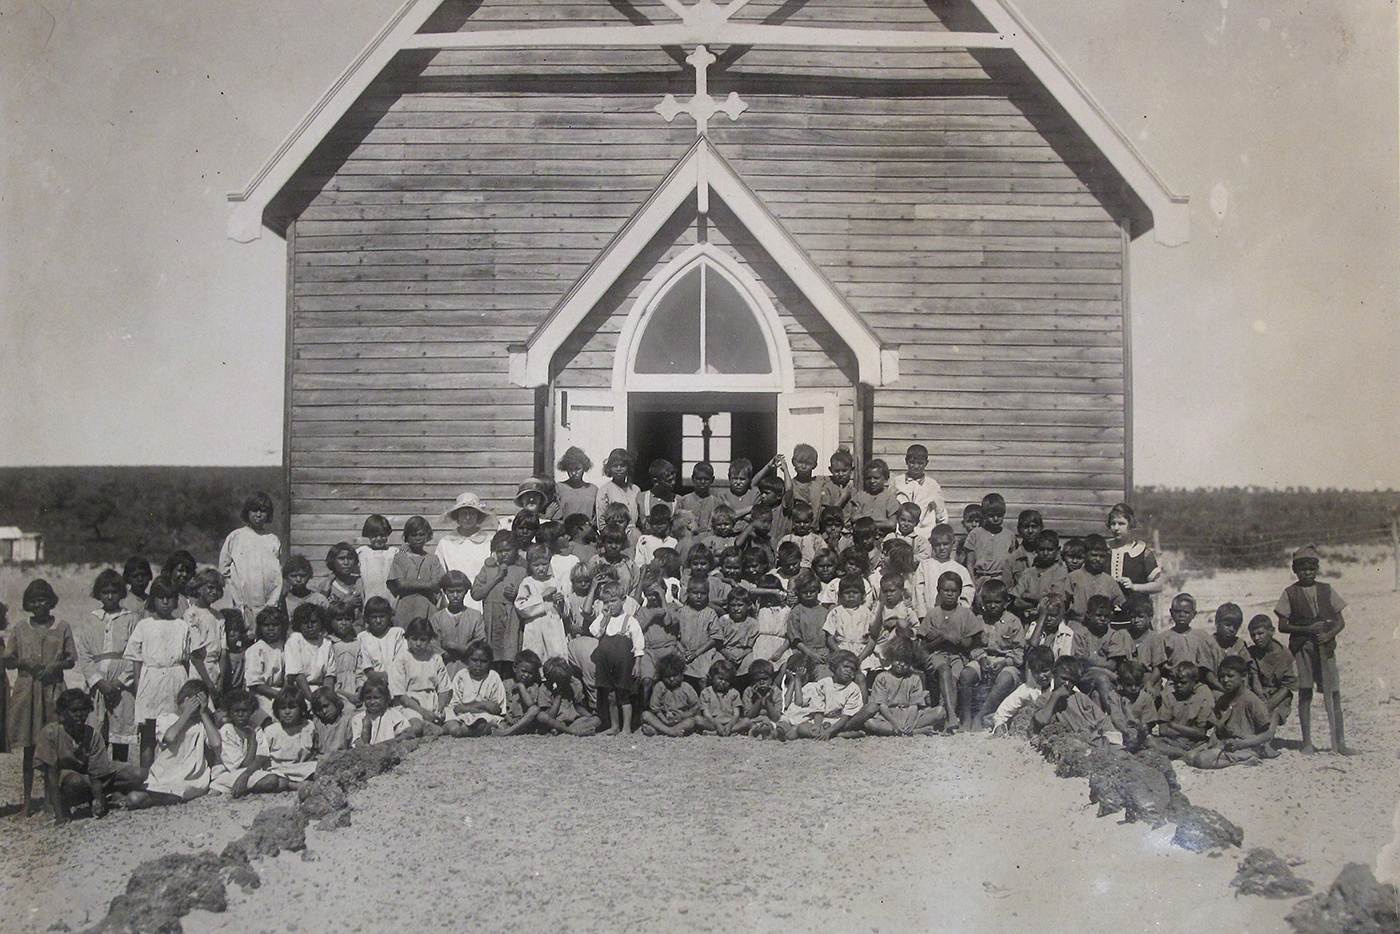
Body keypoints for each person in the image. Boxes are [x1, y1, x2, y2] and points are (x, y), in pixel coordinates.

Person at [1275, 544, 1351, 755]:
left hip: (1326, 649)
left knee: (1333, 692)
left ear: (1316, 569)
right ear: (1295, 571)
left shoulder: (1326, 590)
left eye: (1311, 568)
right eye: (1302, 569)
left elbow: (1340, 621)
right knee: (1306, 692)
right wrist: (1308, 629)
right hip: (1303, 649)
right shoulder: (1290, 593)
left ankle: (1340, 743)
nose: (1307, 573)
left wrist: (1329, 634)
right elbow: (1282, 625)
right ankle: (1307, 742)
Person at [36, 689, 142, 824]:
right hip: (66, 780)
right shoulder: (50, 733)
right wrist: (59, 814)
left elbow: (97, 773)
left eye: (83, 709)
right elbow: (51, 775)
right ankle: (65, 803)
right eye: (74, 711)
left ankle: (102, 798)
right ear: (63, 712)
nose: (80, 714)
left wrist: (97, 799)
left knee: (138, 774)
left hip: (88, 778)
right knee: (75, 781)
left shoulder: (92, 734)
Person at [125, 577, 197, 771]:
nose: (165, 602)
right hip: (151, 679)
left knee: (174, 725)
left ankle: (171, 773)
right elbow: (136, 659)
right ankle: (146, 775)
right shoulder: (144, 625)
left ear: (176, 601)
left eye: (169, 598)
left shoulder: (181, 626)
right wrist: (139, 686)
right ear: (153, 600)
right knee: (148, 732)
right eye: (160, 598)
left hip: (176, 677)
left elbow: (186, 659)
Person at [123, 679, 218, 809]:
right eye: (191, 701)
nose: (194, 706)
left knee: (172, 792)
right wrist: (186, 713)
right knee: (134, 799)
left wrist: (204, 713)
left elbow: (216, 744)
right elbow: (169, 738)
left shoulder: (202, 724)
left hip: (190, 776)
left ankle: (157, 797)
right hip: (166, 771)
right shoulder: (167, 719)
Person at [75, 569, 138, 762]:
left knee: (120, 732)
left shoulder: (130, 618)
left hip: (122, 685)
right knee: (96, 731)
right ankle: (97, 780)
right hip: (98, 684)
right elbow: (84, 653)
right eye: (105, 592)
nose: (110, 596)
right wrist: (97, 681)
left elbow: (135, 652)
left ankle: (119, 779)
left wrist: (120, 682)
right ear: (98, 594)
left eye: (114, 592)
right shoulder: (91, 619)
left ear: (121, 593)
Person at [917, 571, 984, 731]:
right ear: (938, 591)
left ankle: (947, 719)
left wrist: (942, 635)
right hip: (937, 655)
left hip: (958, 656)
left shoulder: (966, 614)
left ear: (959, 593)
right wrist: (944, 636)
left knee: (954, 677)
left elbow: (968, 643)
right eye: (945, 590)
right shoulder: (933, 614)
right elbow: (926, 646)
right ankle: (952, 715)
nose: (949, 594)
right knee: (944, 669)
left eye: (953, 591)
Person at [1184, 656, 1279, 768]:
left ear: (1243, 676)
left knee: (1202, 760)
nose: (1225, 680)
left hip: (1245, 745)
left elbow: (1267, 734)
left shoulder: (1251, 700)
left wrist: (1243, 743)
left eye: (1230, 676)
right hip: (1225, 743)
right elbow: (1217, 726)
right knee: (1189, 757)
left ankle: (1246, 759)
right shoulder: (1223, 699)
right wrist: (1212, 741)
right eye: (1222, 676)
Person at [218, 491, 283, 632]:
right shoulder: (237, 536)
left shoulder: (272, 539)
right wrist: (237, 585)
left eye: (263, 511)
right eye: (254, 510)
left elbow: (277, 571)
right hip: (243, 598)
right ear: (247, 512)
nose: (258, 515)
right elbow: (224, 567)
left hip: (267, 599)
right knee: (244, 632)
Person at [967, 580, 1026, 730]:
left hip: (1006, 662)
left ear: (1005, 603)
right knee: (967, 674)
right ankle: (966, 717)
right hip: (983, 658)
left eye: (997, 602)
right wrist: (981, 658)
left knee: (1005, 678)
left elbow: (1019, 652)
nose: (993, 606)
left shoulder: (1013, 622)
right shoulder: (978, 621)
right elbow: (973, 647)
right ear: (983, 603)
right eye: (989, 602)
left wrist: (1005, 662)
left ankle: (980, 715)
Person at [589, 580, 645, 735]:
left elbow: (638, 643)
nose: (609, 605)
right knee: (610, 696)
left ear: (623, 600)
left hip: (624, 663)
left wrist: (638, 664)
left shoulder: (629, 620)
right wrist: (604, 619)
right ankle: (614, 726)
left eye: (613, 601)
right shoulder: (603, 619)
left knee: (623, 695)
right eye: (606, 602)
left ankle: (626, 727)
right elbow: (595, 632)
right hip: (606, 663)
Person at [781, 650, 870, 740]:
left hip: (838, 721)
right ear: (835, 666)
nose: (849, 671)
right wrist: (817, 726)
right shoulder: (823, 683)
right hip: (821, 719)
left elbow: (846, 717)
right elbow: (818, 709)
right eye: (845, 666)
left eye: (852, 669)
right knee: (802, 728)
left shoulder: (853, 689)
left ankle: (836, 734)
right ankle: (837, 734)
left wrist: (830, 730)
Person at [864, 639, 945, 736]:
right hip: (889, 715)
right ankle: (915, 731)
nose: (901, 664)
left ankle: (903, 731)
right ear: (891, 658)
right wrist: (894, 722)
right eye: (898, 659)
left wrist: (910, 722)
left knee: (940, 712)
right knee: (870, 723)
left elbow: (914, 705)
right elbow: (882, 705)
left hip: (910, 714)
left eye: (906, 662)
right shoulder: (882, 677)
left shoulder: (914, 678)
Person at [435, 493, 500, 613]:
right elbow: (440, 574)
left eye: (472, 513)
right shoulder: (446, 543)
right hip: (453, 598)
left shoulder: (489, 541)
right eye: (463, 513)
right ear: (457, 516)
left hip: (481, 598)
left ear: (478, 516)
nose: (468, 517)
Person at [244, 689, 317, 791]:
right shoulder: (272, 730)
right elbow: (261, 756)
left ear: (301, 708)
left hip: (300, 767)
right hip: (278, 769)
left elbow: (313, 750)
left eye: (292, 708)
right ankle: (292, 784)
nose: (287, 712)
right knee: (274, 780)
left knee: (316, 768)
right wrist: (247, 774)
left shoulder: (309, 726)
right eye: (283, 708)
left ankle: (295, 783)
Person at [388, 617, 449, 734]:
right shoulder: (401, 659)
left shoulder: (435, 657)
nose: (418, 644)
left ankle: (439, 727)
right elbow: (400, 696)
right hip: (410, 705)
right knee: (416, 725)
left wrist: (440, 707)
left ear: (430, 640)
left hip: (432, 702)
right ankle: (425, 727)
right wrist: (423, 712)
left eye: (423, 640)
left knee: (453, 726)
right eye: (414, 639)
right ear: (407, 639)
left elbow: (444, 688)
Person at [1143, 661, 1214, 759]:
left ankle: (1181, 753)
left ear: (1194, 681)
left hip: (1194, 743)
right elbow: (1163, 730)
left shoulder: (1202, 696)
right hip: (1173, 741)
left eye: (1183, 682)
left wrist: (1173, 725)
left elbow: (1201, 732)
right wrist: (1190, 731)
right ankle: (1183, 754)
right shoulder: (1169, 697)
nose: (1179, 686)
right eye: (1175, 682)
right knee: (1148, 741)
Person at [516, 544, 569, 663]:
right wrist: (542, 596)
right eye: (536, 565)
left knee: (555, 656)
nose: (541, 568)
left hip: (553, 626)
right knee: (536, 656)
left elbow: (565, 612)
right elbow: (521, 607)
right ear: (530, 565)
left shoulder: (555, 582)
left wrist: (561, 602)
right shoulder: (528, 582)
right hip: (535, 626)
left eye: (544, 564)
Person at [443, 642, 507, 737]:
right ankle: (464, 730)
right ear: (467, 660)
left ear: (490, 662)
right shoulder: (461, 675)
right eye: (474, 660)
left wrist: (469, 708)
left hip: (484, 717)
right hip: (462, 716)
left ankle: (465, 731)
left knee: (487, 721)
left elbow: (496, 709)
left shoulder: (493, 677)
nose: (478, 664)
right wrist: (483, 704)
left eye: (483, 661)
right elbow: (456, 708)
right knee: (452, 722)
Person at [388, 516, 441, 627]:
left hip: (427, 606)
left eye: (421, 534)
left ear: (427, 536)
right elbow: (401, 584)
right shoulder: (400, 558)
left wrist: (410, 583)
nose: (418, 538)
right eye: (413, 535)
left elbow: (436, 585)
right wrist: (427, 584)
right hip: (405, 607)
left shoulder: (433, 559)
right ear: (407, 536)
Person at [432, 571, 486, 678]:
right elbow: (434, 646)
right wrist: (452, 653)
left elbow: (480, 642)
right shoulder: (437, 618)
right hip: (443, 671)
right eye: (451, 592)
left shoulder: (475, 616)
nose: (455, 596)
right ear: (445, 592)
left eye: (459, 591)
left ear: (465, 591)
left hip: (469, 671)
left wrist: (454, 647)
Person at [1246, 615, 1297, 727]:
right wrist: (1261, 700)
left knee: (1274, 715)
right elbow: (1255, 680)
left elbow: (1286, 688)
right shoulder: (1252, 652)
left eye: (1260, 633)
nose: (1256, 638)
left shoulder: (1285, 655)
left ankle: (1267, 737)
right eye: (1253, 635)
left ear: (1272, 631)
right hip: (1259, 693)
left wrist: (1268, 705)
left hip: (1279, 695)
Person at [990, 646, 1055, 733]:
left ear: (1053, 669)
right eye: (1036, 672)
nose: (1041, 676)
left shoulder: (1060, 687)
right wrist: (999, 725)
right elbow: (1003, 711)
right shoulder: (1028, 689)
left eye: (1045, 671)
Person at [912, 524, 973, 615]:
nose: (942, 548)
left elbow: (968, 592)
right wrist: (922, 614)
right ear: (932, 545)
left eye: (945, 544)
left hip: (954, 616)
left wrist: (959, 611)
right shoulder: (924, 566)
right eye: (937, 545)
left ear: (953, 543)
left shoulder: (960, 569)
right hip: (930, 615)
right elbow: (918, 592)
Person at [961, 493, 1016, 589]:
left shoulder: (1009, 536)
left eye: (999, 515)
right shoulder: (975, 534)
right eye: (991, 515)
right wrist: (973, 585)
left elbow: (1013, 563)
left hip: (1001, 581)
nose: (995, 519)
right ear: (984, 515)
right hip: (981, 580)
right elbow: (969, 564)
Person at [243, 606, 288, 724]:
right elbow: (254, 683)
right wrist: (278, 695)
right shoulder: (256, 649)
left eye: (275, 625)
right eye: (266, 625)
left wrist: (284, 693)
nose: (271, 629)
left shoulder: (286, 647)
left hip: (282, 692)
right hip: (261, 695)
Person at [824, 574, 878, 672]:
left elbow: (872, 639)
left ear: (863, 595)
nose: (851, 595)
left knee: (861, 677)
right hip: (841, 651)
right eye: (847, 592)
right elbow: (829, 637)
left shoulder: (867, 613)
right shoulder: (835, 612)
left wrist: (861, 657)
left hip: (862, 654)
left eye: (855, 592)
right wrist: (839, 653)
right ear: (839, 595)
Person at [209, 691, 260, 796]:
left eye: (244, 710)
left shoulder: (254, 727)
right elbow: (244, 764)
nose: (240, 714)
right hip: (227, 774)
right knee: (271, 780)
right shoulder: (227, 731)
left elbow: (263, 756)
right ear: (229, 712)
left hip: (248, 771)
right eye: (236, 711)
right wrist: (252, 740)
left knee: (280, 782)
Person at [640, 654, 702, 736]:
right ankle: (670, 731)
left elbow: (696, 707)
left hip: (681, 719)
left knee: (692, 721)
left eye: (675, 676)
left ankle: (661, 731)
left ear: (681, 674)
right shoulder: (660, 686)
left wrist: (682, 716)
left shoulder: (686, 687)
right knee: (646, 715)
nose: (672, 679)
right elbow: (655, 708)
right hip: (663, 719)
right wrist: (664, 720)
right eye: (667, 677)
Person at [894, 444, 947, 540]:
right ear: (906, 461)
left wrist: (935, 536)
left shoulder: (932, 485)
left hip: (924, 536)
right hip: (901, 535)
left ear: (926, 463)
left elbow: (942, 516)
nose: (916, 466)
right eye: (912, 463)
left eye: (920, 463)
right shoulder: (897, 482)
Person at [537, 656, 600, 736]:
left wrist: (589, 715)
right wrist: (558, 696)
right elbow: (550, 716)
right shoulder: (544, 689)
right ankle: (573, 731)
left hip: (573, 722)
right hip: (556, 721)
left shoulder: (574, 684)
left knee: (597, 720)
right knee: (542, 717)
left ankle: (565, 730)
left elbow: (578, 707)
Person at [350, 679, 421, 747]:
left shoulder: (392, 714)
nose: (372, 702)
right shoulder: (358, 719)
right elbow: (357, 745)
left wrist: (392, 741)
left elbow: (407, 733)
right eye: (368, 698)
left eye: (376, 698)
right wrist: (365, 729)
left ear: (385, 698)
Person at [285, 604, 334, 701]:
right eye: (305, 622)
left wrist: (327, 698)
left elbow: (329, 676)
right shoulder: (295, 640)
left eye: (314, 622)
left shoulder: (326, 643)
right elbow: (298, 676)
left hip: (320, 692)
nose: (310, 626)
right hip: (299, 692)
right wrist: (312, 700)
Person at [1197, 603, 1250, 693]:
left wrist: (1242, 691)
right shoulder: (1208, 643)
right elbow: (1208, 675)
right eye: (1227, 625)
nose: (1232, 629)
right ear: (1217, 623)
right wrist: (1225, 691)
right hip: (1215, 688)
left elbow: (1246, 672)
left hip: (1237, 690)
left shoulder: (1239, 644)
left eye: (1236, 627)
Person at [357, 597, 405, 686]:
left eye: (382, 616)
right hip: (373, 684)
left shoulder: (397, 634)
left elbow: (402, 662)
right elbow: (368, 670)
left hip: (398, 682)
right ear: (367, 619)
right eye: (374, 617)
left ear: (389, 616)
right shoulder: (362, 637)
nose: (378, 621)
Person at [698, 658, 749, 736]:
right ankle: (724, 731)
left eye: (727, 680)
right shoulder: (706, 692)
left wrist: (730, 725)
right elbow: (706, 714)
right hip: (713, 721)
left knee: (746, 721)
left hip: (729, 721)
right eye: (720, 679)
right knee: (698, 720)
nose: (723, 682)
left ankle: (717, 733)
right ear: (712, 677)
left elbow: (736, 714)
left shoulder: (734, 693)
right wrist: (716, 724)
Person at [356, 515, 397, 606]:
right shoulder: (361, 552)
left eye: (382, 535)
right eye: (374, 536)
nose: (378, 539)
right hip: (369, 596)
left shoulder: (394, 552)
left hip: (390, 598)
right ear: (368, 535)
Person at [853, 458, 900, 536]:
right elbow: (854, 517)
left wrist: (865, 521)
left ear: (885, 479)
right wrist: (881, 521)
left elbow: (891, 524)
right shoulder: (860, 496)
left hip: (883, 537)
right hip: (862, 536)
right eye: (868, 478)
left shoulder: (890, 497)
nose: (872, 481)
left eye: (876, 478)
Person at [279, 555, 327, 626]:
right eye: (293, 576)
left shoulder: (319, 599)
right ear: (286, 577)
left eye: (303, 575)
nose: (298, 579)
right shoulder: (282, 600)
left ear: (309, 576)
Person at [596, 448, 640, 524]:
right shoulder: (605, 490)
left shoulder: (635, 489)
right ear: (609, 468)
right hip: (613, 533)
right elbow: (601, 521)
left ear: (628, 467)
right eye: (615, 466)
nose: (619, 469)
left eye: (622, 465)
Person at [321, 543, 366, 618]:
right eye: (341, 558)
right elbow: (320, 611)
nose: (346, 562)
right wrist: (345, 603)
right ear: (333, 561)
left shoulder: (360, 582)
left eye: (350, 558)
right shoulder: (328, 585)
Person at [555, 446, 598, 523]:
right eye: (570, 469)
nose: (574, 473)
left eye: (577, 468)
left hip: (586, 531)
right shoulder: (559, 488)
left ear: (584, 468)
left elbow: (597, 516)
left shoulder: (593, 489)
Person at [310, 687, 355, 757]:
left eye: (326, 706)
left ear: (335, 703)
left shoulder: (346, 721)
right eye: (319, 709)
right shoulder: (317, 723)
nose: (324, 711)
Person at [817, 448, 857, 527]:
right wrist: (842, 498)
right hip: (831, 528)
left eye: (844, 470)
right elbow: (825, 516)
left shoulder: (853, 490)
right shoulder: (827, 488)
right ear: (831, 470)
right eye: (837, 471)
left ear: (851, 470)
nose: (841, 474)